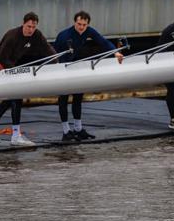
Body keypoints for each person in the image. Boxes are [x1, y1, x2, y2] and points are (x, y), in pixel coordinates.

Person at [0, 11, 54, 147]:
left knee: (9, 100)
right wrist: (15, 71)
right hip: (0, 64)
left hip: (13, 65)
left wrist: (57, 62)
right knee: (16, 97)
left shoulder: (36, 35)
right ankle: (15, 136)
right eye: (28, 26)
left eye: (33, 27)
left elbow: (47, 49)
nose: (31, 30)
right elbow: (1, 56)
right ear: (23, 24)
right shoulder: (13, 36)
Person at [53, 10, 123, 142]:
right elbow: (55, 54)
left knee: (78, 96)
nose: (81, 27)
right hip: (62, 66)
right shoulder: (64, 35)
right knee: (63, 98)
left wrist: (116, 53)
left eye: (84, 25)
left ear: (87, 25)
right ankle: (66, 131)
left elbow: (103, 42)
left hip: (76, 65)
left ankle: (78, 129)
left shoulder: (89, 31)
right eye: (79, 24)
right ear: (75, 22)